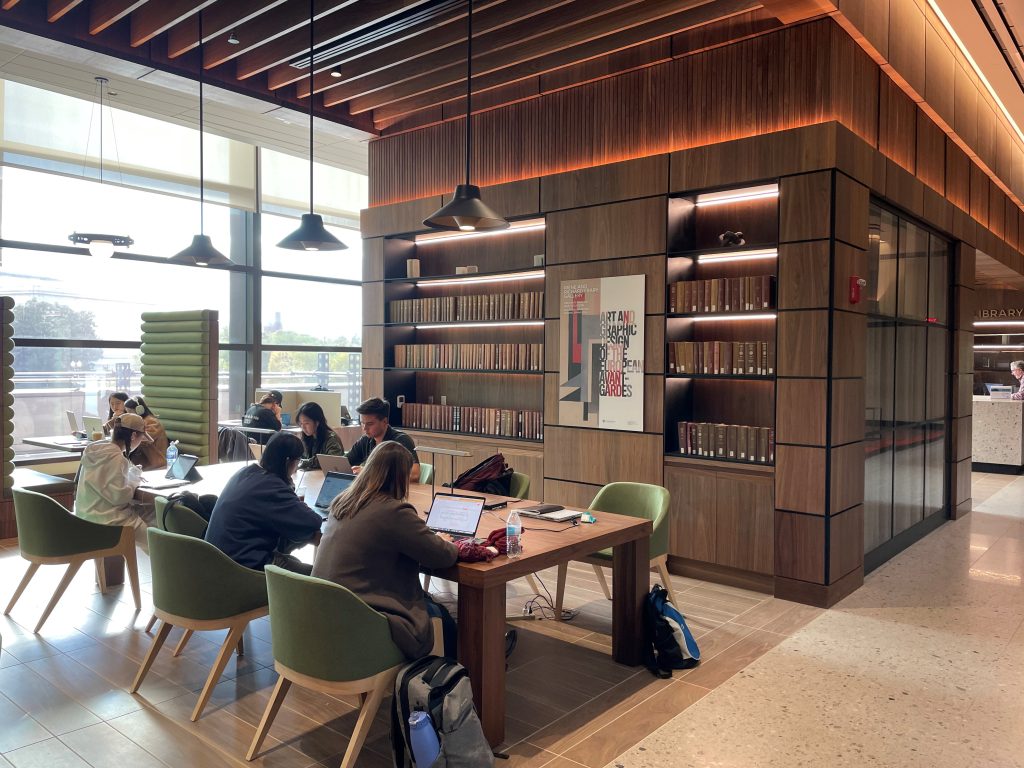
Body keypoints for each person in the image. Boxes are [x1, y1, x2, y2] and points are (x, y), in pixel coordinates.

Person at [311, 441, 458, 658]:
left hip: (324, 608)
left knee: (433, 605)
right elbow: (442, 556)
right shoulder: (394, 511)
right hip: (362, 614)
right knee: (443, 616)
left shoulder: (342, 502)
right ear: (400, 476)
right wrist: (446, 541)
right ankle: (453, 679)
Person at [204, 431, 322, 575]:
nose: (297, 466)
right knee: (318, 578)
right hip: (243, 570)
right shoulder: (272, 488)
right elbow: (313, 521)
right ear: (288, 462)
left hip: (217, 562)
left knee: (294, 551)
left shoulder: (245, 472)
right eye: (298, 460)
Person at [75, 412, 154, 551]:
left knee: (147, 514)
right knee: (156, 532)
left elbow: (105, 484)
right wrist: (135, 479)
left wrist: (131, 475)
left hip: (85, 517)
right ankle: (171, 566)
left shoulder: (93, 451)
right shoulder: (117, 458)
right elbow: (120, 497)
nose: (140, 443)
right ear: (134, 436)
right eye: (141, 438)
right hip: (108, 521)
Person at [346, 397, 421, 482]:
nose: (364, 428)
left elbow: (414, 475)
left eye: (370, 424)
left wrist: (370, 473)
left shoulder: (401, 440)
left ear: (384, 421)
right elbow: (344, 463)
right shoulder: (365, 440)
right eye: (362, 423)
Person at [123, 395, 169, 470]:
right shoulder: (138, 422)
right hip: (142, 460)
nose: (129, 415)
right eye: (127, 412)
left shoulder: (152, 422)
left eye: (130, 412)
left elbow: (143, 439)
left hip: (154, 462)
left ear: (139, 410)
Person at [295, 401, 345, 470]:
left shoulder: (331, 439)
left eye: (306, 423)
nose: (303, 427)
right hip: (311, 477)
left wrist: (305, 463)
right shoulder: (306, 437)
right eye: (300, 423)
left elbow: (331, 460)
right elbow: (299, 457)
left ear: (317, 422)